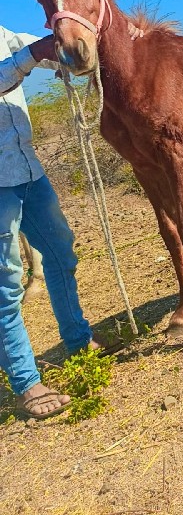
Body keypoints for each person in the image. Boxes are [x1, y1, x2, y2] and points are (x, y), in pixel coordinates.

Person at [0, 26, 107, 419]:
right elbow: (23, 60)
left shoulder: (3, 34)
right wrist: (32, 57)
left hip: (28, 172)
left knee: (62, 255)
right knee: (5, 286)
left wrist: (69, 51)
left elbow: (39, 50)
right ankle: (27, 385)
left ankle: (78, 341)